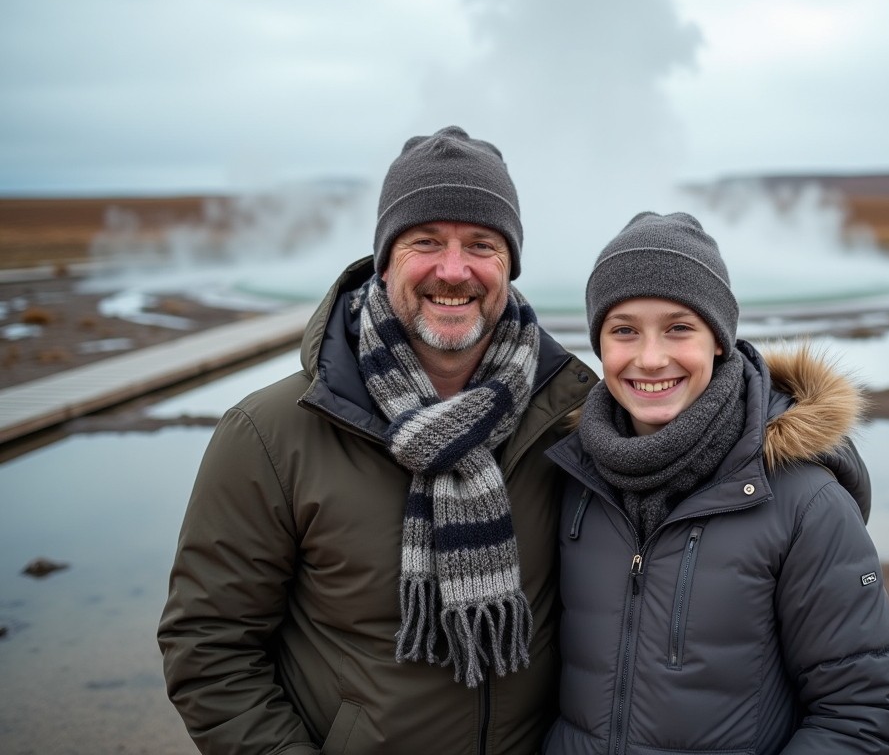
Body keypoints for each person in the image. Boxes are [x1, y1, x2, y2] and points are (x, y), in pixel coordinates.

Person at [158, 126, 596, 755]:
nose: (454, 269)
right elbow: (209, 646)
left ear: (510, 265)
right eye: (426, 241)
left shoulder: (567, 415)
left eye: (482, 244)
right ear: (385, 258)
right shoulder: (271, 433)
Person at [542, 211, 889, 754]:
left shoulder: (804, 502)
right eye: (624, 330)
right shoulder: (570, 475)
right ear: (600, 343)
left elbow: (860, 715)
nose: (649, 358)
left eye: (678, 328)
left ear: (719, 339)